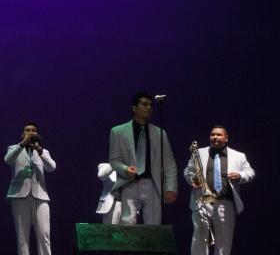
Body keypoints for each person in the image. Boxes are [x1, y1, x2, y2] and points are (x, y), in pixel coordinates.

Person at [184, 125, 255, 255]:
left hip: (225, 203)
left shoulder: (238, 156)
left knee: (224, 244)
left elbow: (250, 172)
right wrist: (193, 179)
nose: (215, 137)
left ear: (226, 138)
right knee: (199, 241)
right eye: (213, 134)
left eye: (219, 135)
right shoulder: (199, 153)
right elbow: (188, 171)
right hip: (202, 202)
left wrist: (240, 176)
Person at [108, 91, 177, 225]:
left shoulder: (159, 133)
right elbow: (114, 160)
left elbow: (169, 164)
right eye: (144, 104)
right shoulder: (118, 131)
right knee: (127, 223)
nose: (149, 108)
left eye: (151, 105)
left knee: (154, 226)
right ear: (134, 108)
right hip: (129, 183)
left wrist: (170, 188)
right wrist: (125, 169)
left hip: (152, 184)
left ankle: (151, 246)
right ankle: (129, 246)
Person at [5, 122, 56, 255]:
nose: (31, 132)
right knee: (22, 237)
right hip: (19, 196)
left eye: (34, 130)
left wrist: (39, 150)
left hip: (41, 197)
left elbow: (52, 167)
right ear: (22, 134)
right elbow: (8, 160)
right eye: (28, 130)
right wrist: (22, 144)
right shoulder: (14, 148)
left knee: (44, 235)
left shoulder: (43, 151)